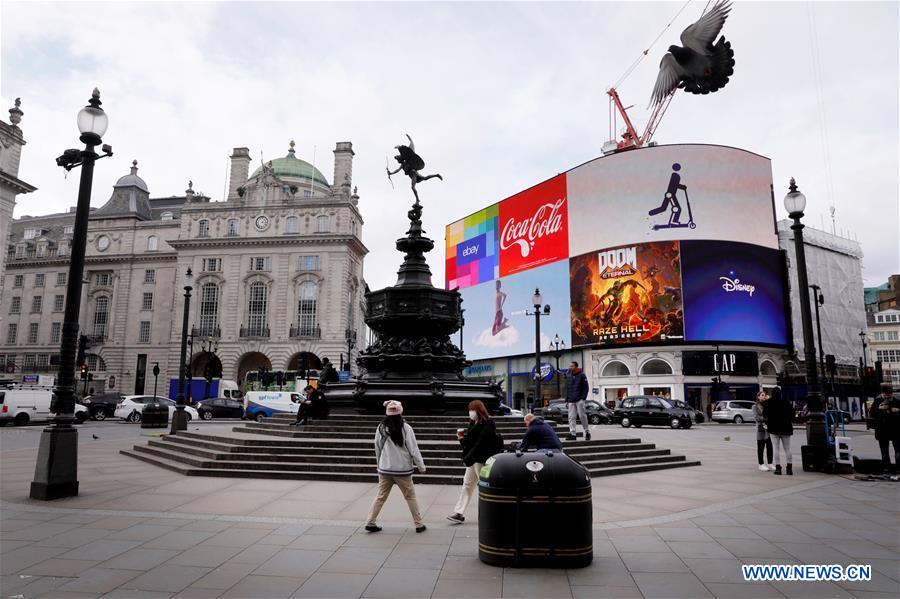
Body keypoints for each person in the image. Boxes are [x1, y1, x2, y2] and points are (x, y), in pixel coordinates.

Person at [365, 400, 427, 533]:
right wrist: (421, 466)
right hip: (403, 470)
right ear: (400, 413)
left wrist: (379, 464)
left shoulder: (381, 427)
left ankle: (370, 521)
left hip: (385, 469)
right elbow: (414, 449)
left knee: (380, 496)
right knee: (410, 496)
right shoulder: (406, 428)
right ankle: (418, 524)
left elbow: (378, 447)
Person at [447, 400, 498, 524]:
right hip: (473, 459)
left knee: (484, 487)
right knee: (467, 485)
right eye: (469, 410)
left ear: (479, 410)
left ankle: (490, 513)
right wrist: (461, 439)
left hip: (480, 459)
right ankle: (459, 513)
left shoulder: (488, 423)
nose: (470, 412)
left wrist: (467, 458)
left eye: (472, 409)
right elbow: (470, 442)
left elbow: (480, 444)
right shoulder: (473, 422)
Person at [763, 386, 793, 475]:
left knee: (776, 449)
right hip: (786, 428)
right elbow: (791, 414)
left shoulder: (768, 403)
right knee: (787, 449)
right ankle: (789, 468)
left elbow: (765, 415)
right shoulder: (786, 402)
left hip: (774, 428)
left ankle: (778, 468)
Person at [871, 384, 900, 472]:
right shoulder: (877, 401)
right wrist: (879, 409)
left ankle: (898, 468)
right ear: (882, 393)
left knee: (898, 450)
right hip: (882, 430)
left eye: (889, 394)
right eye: (886, 394)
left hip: (896, 430)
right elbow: (872, 414)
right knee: (884, 451)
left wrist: (898, 410)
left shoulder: (897, 401)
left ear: (892, 393)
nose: (887, 396)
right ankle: (887, 467)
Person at [564, 361, 590, 441]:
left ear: (576, 367)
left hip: (579, 400)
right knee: (571, 417)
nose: (570, 367)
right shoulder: (569, 375)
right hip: (571, 400)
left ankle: (587, 432)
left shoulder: (582, 375)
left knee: (582, 416)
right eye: (570, 366)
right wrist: (567, 400)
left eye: (572, 366)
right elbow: (567, 388)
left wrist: (583, 398)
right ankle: (573, 434)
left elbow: (586, 388)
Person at [753, 390, 774, 471]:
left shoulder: (767, 406)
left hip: (768, 429)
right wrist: (766, 419)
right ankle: (761, 464)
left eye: (764, 395)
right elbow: (757, 418)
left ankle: (770, 464)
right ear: (758, 397)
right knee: (761, 448)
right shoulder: (755, 406)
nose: (763, 396)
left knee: (770, 447)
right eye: (762, 395)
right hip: (761, 429)